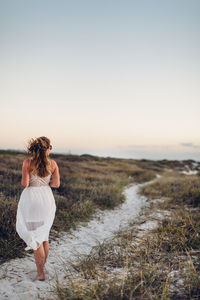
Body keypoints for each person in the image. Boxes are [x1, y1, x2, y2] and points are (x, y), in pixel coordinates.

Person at [16, 136, 60, 281]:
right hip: (46, 199)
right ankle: (42, 268)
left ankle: (41, 273)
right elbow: (55, 185)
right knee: (44, 236)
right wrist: (46, 181)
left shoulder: (27, 162)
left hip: (31, 199)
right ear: (47, 149)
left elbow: (25, 184)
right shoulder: (53, 164)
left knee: (35, 237)